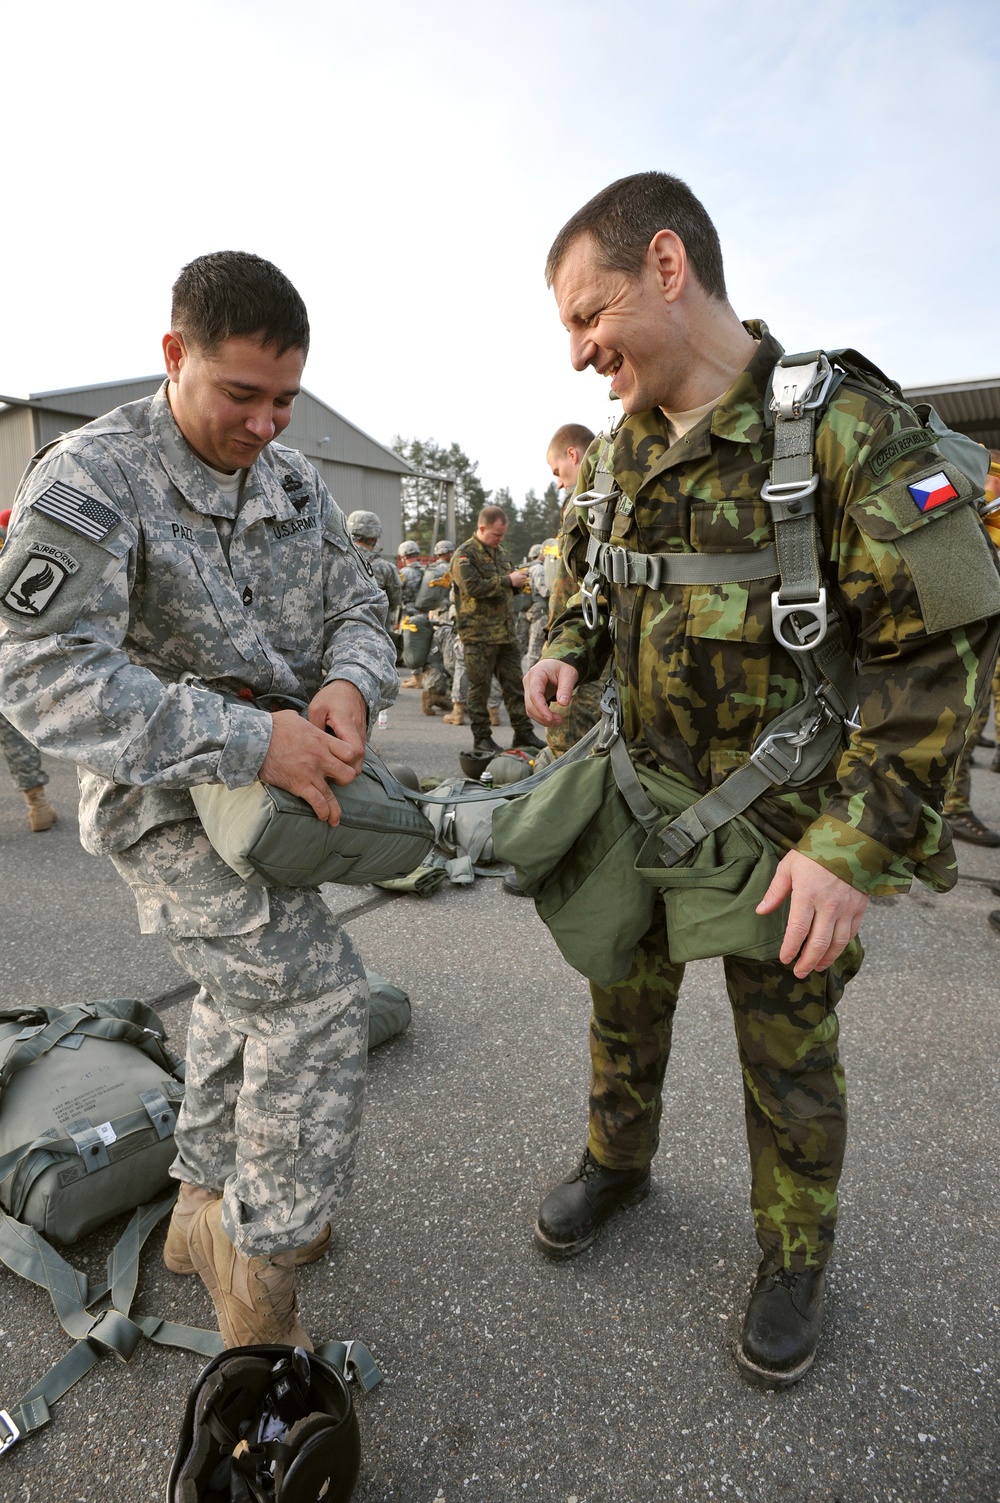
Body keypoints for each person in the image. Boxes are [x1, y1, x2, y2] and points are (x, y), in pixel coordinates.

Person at [523, 171, 1000, 1390]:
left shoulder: (842, 428)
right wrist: (565, 654)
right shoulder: (620, 448)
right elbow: (586, 578)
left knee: (786, 1050)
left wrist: (855, 847)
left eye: (591, 316)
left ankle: (793, 1254)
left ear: (667, 267)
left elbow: (937, 659)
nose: (579, 352)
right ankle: (616, 1163)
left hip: (786, 824)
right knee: (619, 997)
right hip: (638, 795)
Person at [0, 250, 397, 1350]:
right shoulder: (93, 478)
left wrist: (349, 684)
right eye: (242, 395)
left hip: (284, 787)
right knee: (314, 999)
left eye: (286, 399)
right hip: (163, 800)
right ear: (174, 356)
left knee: (238, 995)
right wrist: (244, 737)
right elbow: (40, 677)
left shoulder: (294, 478)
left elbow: (359, 602)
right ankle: (258, 1272)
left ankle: (194, 1210)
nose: (268, 424)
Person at [452, 505, 545, 758]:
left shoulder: (500, 552)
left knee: (515, 685)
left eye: (503, 535)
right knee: (479, 688)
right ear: (482, 528)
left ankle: (523, 731)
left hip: (505, 633)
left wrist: (517, 582)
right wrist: (507, 581)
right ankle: (482, 738)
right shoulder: (465, 555)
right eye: (496, 534)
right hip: (478, 635)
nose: (500, 539)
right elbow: (472, 587)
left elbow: (507, 584)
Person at [543, 424, 606, 756]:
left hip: (587, 645)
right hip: (573, 639)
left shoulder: (597, 499)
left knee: (568, 742)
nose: (558, 481)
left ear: (573, 454)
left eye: (558, 470)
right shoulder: (584, 500)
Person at [346, 510, 403, 629]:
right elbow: (395, 600)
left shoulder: (332, 560)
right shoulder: (385, 568)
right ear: (373, 538)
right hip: (374, 637)